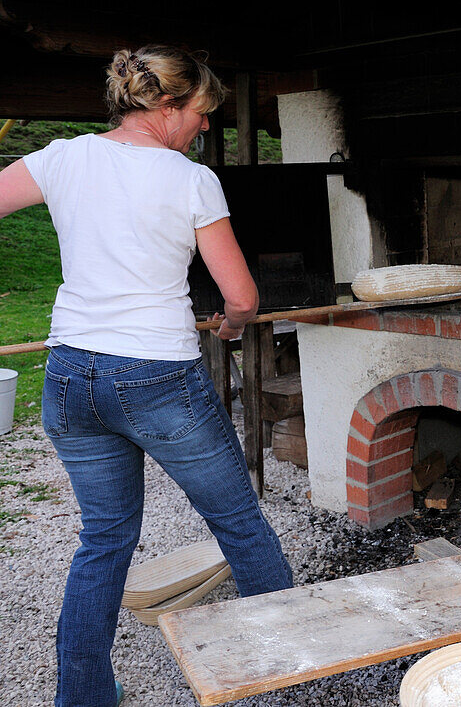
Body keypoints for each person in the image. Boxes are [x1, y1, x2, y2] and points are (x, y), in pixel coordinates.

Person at [0, 45, 294, 706]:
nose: (204, 126)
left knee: (103, 539)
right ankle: (293, 669)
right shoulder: (189, 180)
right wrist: (233, 326)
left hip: (72, 376)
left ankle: (82, 699)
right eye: (199, 112)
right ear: (167, 106)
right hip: (158, 376)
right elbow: (240, 294)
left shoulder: (62, 157)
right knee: (241, 524)